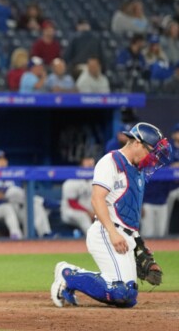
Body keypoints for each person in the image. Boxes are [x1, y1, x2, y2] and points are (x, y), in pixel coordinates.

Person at [51, 122, 172, 308]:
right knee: (121, 290)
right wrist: (112, 232)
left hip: (125, 236)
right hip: (106, 232)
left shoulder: (138, 171)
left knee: (128, 298)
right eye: (151, 151)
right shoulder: (111, 161)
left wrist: (138, 244)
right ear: (137, 143)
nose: (153, 158)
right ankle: (68, 274)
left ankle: (75, 274)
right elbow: (97, 199)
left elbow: (128, 213)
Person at [60, 156, 96, 236]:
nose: (90, 164)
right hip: (71, 211)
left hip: (91, 211)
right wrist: (88, 212)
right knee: (82, 216)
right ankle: (92, 237)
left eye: (91, 161)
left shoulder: (96, 180)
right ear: (81, 165)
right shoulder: (71, 181)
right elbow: (72, 203)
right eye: (87, 161)